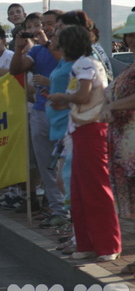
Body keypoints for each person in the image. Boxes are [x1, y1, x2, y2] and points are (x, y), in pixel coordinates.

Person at [48, 25, 121, 262]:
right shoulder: (83, 64)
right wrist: (65, 101)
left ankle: (108, 244)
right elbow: (80, 98)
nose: (57, 46)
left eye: (61, 42)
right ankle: (88, 242)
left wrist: (62, 97)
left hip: (92, 130)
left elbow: (82, 96)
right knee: (79, 190)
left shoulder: (85, 63)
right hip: (80, 129)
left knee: (95, 188)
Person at [9, 10, 68, 226]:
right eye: (38, 25)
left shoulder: (66, 47)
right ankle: (57, 211)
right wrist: (17, 49)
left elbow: (66, 65)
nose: (41, 29)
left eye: (47, 24)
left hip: (64, 112)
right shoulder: (36, 51)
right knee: (45, 165)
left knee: (65, 166)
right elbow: (15, 69)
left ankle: (69, 212)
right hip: (40, 111)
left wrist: (46, 43)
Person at [102, 13, 135, 272]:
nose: (131, 40)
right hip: (125, 145)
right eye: (129, 35)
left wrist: (113, 104)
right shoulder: (130, 68)